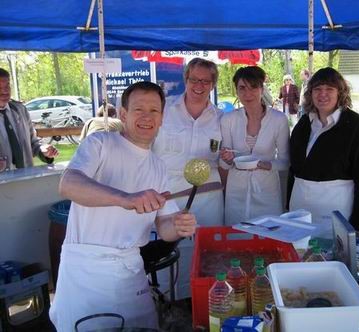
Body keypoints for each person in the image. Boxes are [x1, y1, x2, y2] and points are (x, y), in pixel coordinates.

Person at [49, 81, 197, 331]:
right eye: (139, 109)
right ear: (123, 114)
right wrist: (126, 198)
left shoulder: (158, 166)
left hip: (130, 271)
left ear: (162, 118)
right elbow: (69, 184)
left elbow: (164, 227)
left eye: (154, 111)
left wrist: (179, 225)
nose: (147, 117)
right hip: (86, 270)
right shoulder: (100, 144)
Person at [151, 58, 224, 298]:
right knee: (172, 251)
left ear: (212, 84)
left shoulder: (221, 118)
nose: (199, 85)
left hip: (210, 197)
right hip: (170, 199)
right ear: (186, 79)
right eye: (194, 79)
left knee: (207, 252)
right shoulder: (164, 111)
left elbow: (224, 160)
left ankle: (204, 300)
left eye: (206, 81)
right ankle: (173, 301)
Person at [287, 67, 359, 236]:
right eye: (317, 89)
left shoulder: (356, 126)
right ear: (310, 93)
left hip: (335, 215)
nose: (323, 94)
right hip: (300, 212)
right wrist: (287, 206)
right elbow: (293, 170)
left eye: (329, 89)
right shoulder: (303, 124)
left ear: (340, 93)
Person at [220, 66, 290, 225]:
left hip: (267, 190)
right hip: (236, 190)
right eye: (242, 88)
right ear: (236, 91)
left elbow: (285, 161)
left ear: (261, 88)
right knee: (237, 237)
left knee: (269, 237)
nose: (247, 93)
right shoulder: (228, 119)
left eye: (253, 87)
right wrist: (227, 158)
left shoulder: (278, 120)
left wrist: (264, 165)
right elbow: (224, 163)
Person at [0, 68, 58, 170]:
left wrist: (43, 150)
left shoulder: (20, 110)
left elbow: (33, 143)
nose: (4, 91)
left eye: (7, 86)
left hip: (26, 178)